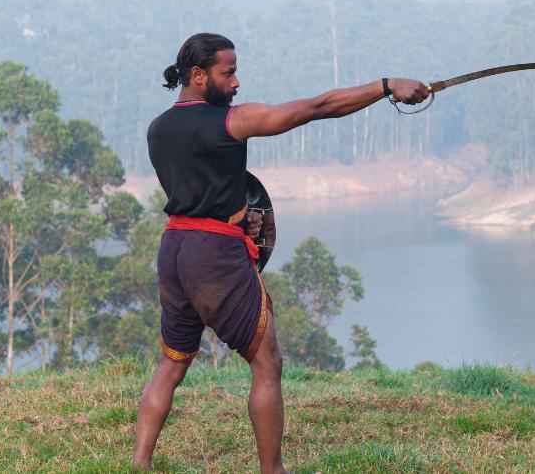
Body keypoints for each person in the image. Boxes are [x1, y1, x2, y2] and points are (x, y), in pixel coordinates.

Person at [132, 32, 429, 472]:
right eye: (227, 72)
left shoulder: (158, 128)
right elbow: (317, 108)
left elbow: (200, 187)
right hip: (214, 253)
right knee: (267, 363)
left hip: (173, 248)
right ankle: (273, 470)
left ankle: (139, 463)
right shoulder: (228, 123)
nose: (236, 83)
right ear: (198, 76)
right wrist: (385, 86)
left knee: (171, 364)